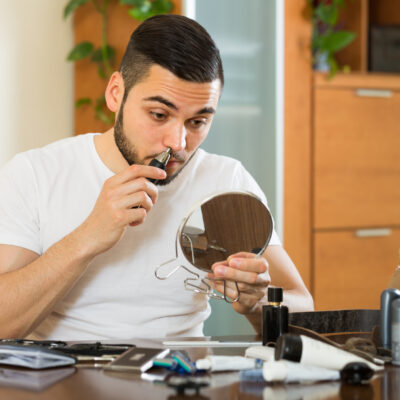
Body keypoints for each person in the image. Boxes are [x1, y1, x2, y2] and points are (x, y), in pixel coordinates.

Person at [0, 15, 313, 340]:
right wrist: (89, 237)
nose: (177, 143)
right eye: (159, 115)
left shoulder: (224, 180)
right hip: (67, 382)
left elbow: (304, 309)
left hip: (183, 381)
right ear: (115, 93)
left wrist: (257, 302)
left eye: (198, 122)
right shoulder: (35, 174)